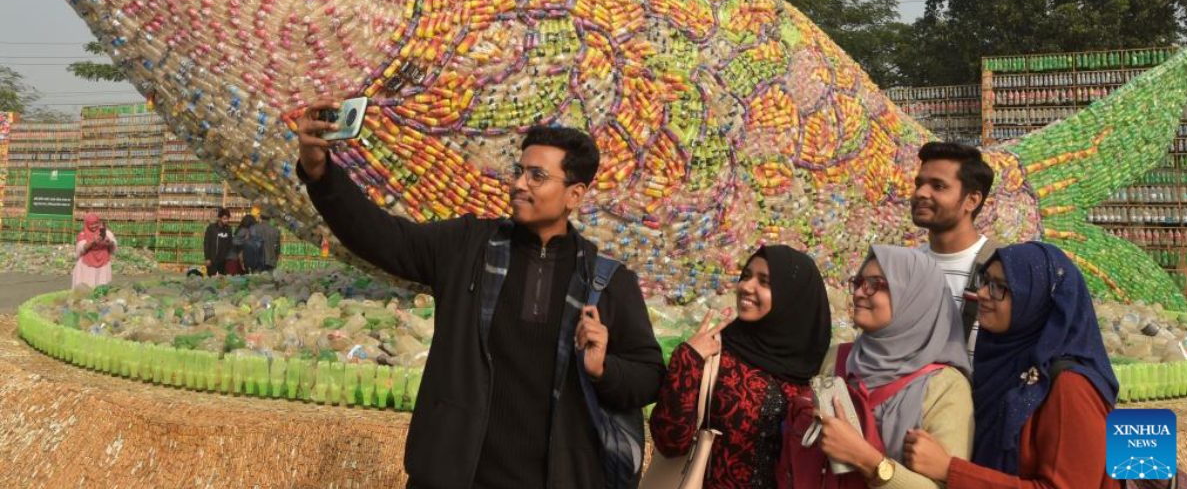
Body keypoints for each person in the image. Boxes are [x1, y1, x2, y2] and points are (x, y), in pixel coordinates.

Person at [295, 98, 665, 489]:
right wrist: (321, 175)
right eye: (519, 171)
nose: (520, 184)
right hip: (458, 475)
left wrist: (604, 370)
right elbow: (383, 238)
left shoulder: (606, 283)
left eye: (537, 176)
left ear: (574, 194)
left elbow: (648, 376)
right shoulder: (468, 247)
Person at [903, 242, 1120, 488]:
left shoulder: (1069, 387)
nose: (983, 293)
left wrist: (949, 470)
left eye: (1000, 288)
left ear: (1037, 302)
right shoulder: (1002, 366)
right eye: (985, 281)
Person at [649, 245, 831, 489]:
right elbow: (670, 442)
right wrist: (687, 360)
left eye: (764, 282)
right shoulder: (714, 352)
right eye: (746, 276)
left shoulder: (815, 371)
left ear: (793, 296)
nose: (746, 286)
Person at [812, 245, 974, 488]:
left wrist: (866, 460)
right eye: (858, 282)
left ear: (914, 298)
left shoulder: (945, 387)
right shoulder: (838, 358)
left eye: (875, 284)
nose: (858, 293)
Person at [912, 142, 996, 361]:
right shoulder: (908, 267)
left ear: (971, 200)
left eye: (938, 186)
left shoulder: (998, 272)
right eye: (919, 183)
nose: (921, 193)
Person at [72, 213, 116, 289]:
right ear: (87, 225)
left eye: (96, 223)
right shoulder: (82, 234)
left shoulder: (106, 233)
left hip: (103, 264)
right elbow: (81, 248)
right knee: (86, 287)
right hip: (86, 266)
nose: (94, 226)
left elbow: (113, 245)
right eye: (91, 224)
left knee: (101, 286)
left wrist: (109, 242)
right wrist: (93, 242)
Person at [203, 208, 234, 277]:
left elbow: (230, 244)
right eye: (224, 218)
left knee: (222, 281)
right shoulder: (211, 228)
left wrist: (229, 258)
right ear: (219, 218)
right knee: (211, 279)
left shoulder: (229, 229)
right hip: (212, 259)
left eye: (228, 218)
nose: (226, 220)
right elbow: (206, 243)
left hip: (224, 261)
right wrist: (207, 258)